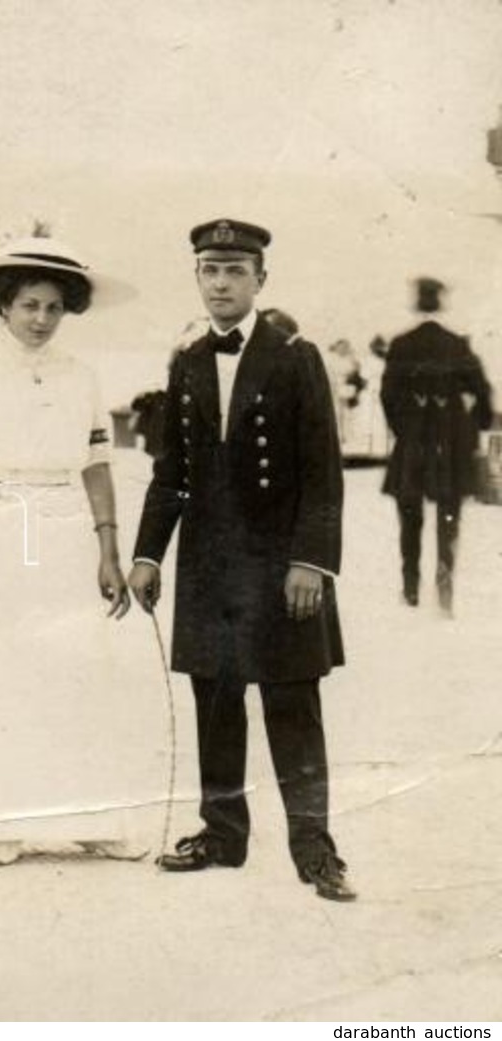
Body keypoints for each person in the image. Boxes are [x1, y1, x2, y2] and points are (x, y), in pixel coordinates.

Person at [127, 218, 354, 902]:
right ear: (196, 277)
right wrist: (146, 552)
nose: (219, 282)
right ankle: (221, 833)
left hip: (279, 565)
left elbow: (322, 471)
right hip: (206, 564)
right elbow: (170, 470)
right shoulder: (187, 358)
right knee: (215, 701)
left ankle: (315, 851)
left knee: (291, 703)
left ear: (260, 279)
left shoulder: (295, 354)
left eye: (233, 270)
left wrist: (310, 561)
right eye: (207, 269)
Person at [0, 234, 149, 865]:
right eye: (28, 306)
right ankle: (5, 821)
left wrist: (108, 549)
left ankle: (89, 816)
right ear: (4, 307)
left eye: (52, 307)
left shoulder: (83, 376)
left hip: (67, 531)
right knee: (7, 672)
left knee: (77, 667)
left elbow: (98, 462)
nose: (40, 319)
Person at [379, 276, 493, 615]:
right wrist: (469, 428)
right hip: (450, 440)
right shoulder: (457, 343)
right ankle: (445, 590)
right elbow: (483, 392)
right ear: (440, 303)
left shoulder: (401, 343)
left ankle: (410, 586)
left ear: (416, 303)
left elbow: (388, 395)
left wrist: (405, 429)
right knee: (449, 516)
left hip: (414, 439)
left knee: (409, 515)